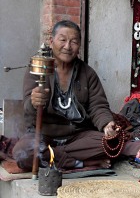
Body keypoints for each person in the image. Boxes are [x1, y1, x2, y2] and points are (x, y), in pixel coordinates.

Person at [12, 20, 119, 171]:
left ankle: (53, 157)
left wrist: (106, 124)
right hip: (44, 135)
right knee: (22, 152)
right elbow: (28, 107)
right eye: (62, 40)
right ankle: (81, 163)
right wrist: (34, 102)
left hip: (76, 136)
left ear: (79, 45)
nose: (68, 47)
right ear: (51, 41)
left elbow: (98, 105)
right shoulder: (37, 68)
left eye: (74, 42)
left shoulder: (87, 73)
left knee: (108, 143)